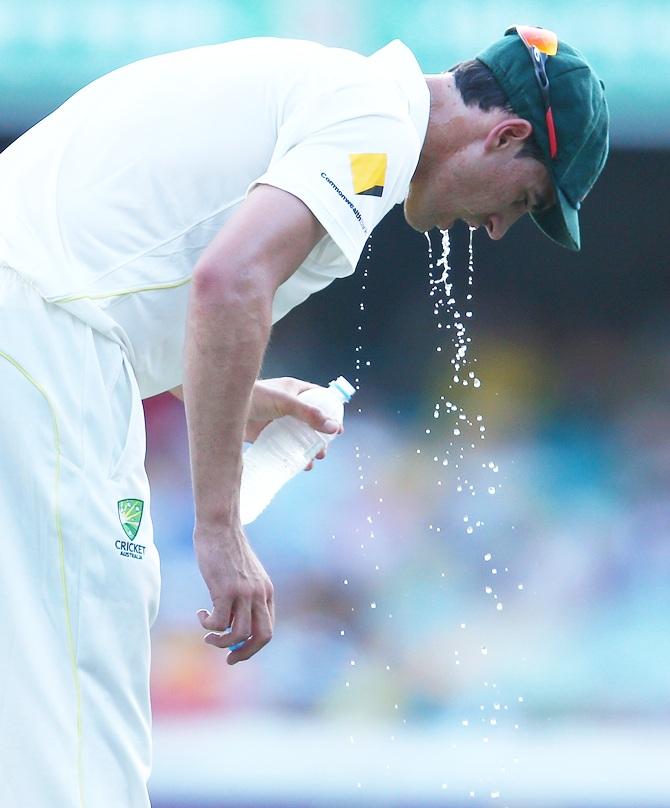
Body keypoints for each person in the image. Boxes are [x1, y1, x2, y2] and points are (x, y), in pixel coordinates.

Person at [0, 24, 608, 807]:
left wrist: (243, 395)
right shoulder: (376, 122)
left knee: (31, 662)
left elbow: (139, 261)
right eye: (523, 199)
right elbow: (228, 284)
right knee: (83, 650)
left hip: (44, 321)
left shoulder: (335, 92)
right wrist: (219, 528)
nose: (496, 227)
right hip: (41, 332)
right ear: (506, 134)